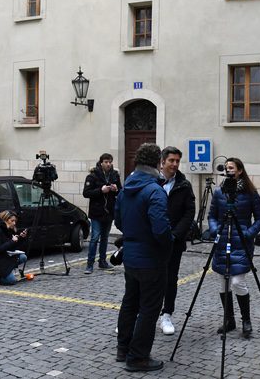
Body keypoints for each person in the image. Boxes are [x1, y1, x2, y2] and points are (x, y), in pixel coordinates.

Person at [113, 143, 172, 372]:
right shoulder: (154, 190)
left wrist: (134, 233)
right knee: (149, 308)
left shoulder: (127, 187)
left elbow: (118, 221)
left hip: (132, 256)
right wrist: (168, 244)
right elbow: (160, 229)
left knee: (130, 302)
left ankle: (123, 348)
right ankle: (138, 357)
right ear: (158, 162)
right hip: (151, 258)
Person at [207, 157, 260, 339]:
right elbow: (211, 216)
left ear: (240, 170)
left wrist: (248, 233)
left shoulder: (250, 193)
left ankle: (246, 319)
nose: (228, 170)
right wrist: (216, 229)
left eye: (231, 167)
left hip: (242, 243)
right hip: (222, 242)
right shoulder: (219, 192)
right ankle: (229, 320)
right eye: (226, 168)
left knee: (238, 282)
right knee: (224, 282)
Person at [158, 146, 196, 335]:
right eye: (171, 160)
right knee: (147, 278)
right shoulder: (152, 181)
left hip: (174, 241)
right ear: (162, 161)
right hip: (152, 241)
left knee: (170, 279)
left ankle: (167, 314)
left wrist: (175, 235)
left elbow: (189, 213)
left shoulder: (184, 184)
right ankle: (140, 313)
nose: (174, 164)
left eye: (177, 161)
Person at [82, 153, 121, 274]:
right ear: (101, 163)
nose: (108, 164)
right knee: (94, 238)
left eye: (110, 162)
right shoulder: (92, 176)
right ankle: (90, 264)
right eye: (106, 162)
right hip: (96, 212)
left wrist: (116, 189)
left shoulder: (114, 175)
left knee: (104, 238)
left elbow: (121, 190)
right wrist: (101, 190)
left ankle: (102, 262)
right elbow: (86, 193)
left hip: (109, 212)